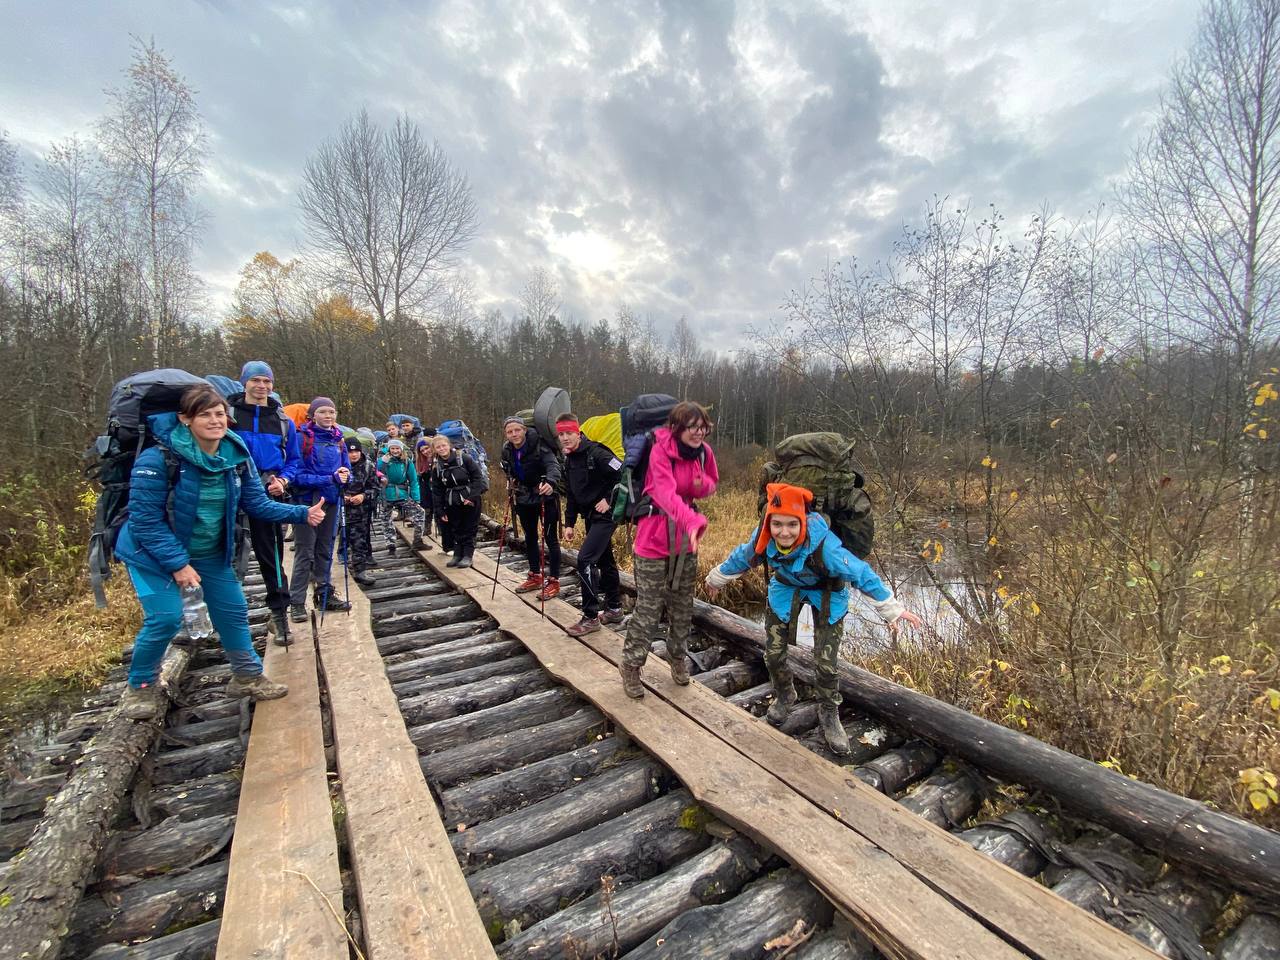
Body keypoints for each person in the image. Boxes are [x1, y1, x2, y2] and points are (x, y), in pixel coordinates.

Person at [114, 384, 325, 719]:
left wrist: (301, 513)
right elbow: (145, 522)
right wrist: (178, 564)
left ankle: (246, 676)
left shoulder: (234, 454)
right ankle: (140, 686)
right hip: (151, 554)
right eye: (205, 415)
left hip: (208, 551)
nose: (215, 421)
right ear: (185, 419)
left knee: (233, 610)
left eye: (219, 414)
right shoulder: (157, 459)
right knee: (166, 619)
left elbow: (255, 502)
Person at [705, 483, 923, 754]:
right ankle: (786, 694)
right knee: (773, 654)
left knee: (826, 664)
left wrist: (892, 609)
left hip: (827, 593)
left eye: (792, 525)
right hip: (786, 589)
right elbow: (743, 557)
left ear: (802, 523)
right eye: (778, 525)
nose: (784, 532)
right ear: (769, 524)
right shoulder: (765, 539)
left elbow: (860, 573)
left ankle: (829, 713)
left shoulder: (826, 548)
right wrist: (717, 577)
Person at [620, 401, 719, 699]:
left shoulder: (704, 453)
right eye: (692, 427)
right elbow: (663, 492)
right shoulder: (660, 450)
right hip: (653, 541)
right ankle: (631, 665)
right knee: (649, 609)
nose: (699, 433)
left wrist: (700, 486)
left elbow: (712, 482)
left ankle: (677, 657)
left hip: (685, 544)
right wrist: (692, 519)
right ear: (676, 427)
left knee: (682, 606)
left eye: (703, 427)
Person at [226, 361, 300, 642]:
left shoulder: (282, 421)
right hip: (231, 491)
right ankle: (224, 617)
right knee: (227, 556)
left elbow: (293, 460)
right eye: (256, 380)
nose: (262, 386)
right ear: (244, 382)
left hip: (268, 492)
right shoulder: (228, 416)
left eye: (267, 381)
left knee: (272, 556)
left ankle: (280, 615)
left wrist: (283, 481)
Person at [556, 413, 624, 635]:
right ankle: (614, 609)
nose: (565, 438)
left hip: (607, 515)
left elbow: (624, 474)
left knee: (585, 560)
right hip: (589, 516)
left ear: (578, 433)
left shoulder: (597, 453)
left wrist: (608, 499)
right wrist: (568, 523)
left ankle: (591, 617)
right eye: (561, 434)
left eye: (569, 433)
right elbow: (573, 495)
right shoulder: (569, 459)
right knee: (605, 561)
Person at [289, 397, 352, 621]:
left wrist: (345, 477)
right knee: (305, 550)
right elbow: (294, 475)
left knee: (325, 548)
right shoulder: (300, 437)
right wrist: (330, 478)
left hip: (332, 499)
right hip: (307, 500)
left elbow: (347, 468)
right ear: (313, 415)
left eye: (332, 412)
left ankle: (324, 595)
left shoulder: (339, 440)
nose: (329, 416)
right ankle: (296, 602)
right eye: (323, 412)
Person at [499, 417, 563, 601]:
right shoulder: (507, 450)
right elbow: (508, 468)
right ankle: (535, 575)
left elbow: (553, 465)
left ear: (524, 430)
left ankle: (554, 581)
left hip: (545, 495)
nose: (514, 435)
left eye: (517, 430)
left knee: (550, 538)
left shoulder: (539, 445)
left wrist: (551, 481)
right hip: (523, 497)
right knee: (530, 537)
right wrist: (510, 482)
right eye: (510, 432)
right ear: (506, 434)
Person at [429, 432, 486, 567]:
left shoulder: (464, 459)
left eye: (444, 445)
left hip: (469, 498)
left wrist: (472, 496)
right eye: (438, 447)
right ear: (435, 450)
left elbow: (478, 477)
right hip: (451, 500)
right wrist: (440, 510)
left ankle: (467, 555)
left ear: (449, 445)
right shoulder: (437, 466)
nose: (442, 449)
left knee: (469, 528)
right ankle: (457, 554)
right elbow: (437, 490)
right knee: (455, 528)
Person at [342, 436, 381, 586]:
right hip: (339, 511)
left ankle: (360, 570)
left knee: (359, 541)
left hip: (360, 511)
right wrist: (342, 496)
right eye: (350, 452)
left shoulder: (368, 466)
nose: (354, 454)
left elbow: (375, 488)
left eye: (356, 451)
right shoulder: (338, 466)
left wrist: (363, 496)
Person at [379, 438, 428, 553]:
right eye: (393, 448)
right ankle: (390, 543)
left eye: (397, 448)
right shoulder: (382, 461)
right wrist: (383, 463)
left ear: (401, 449)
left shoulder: (407, 462)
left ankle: (417, 541)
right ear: (389, 449)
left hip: (402, 494)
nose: (395, 451)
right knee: (385, 519)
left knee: (420, 512)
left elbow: (413, 480)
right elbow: (376, 474)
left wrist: (416, 497)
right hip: (386, 494)